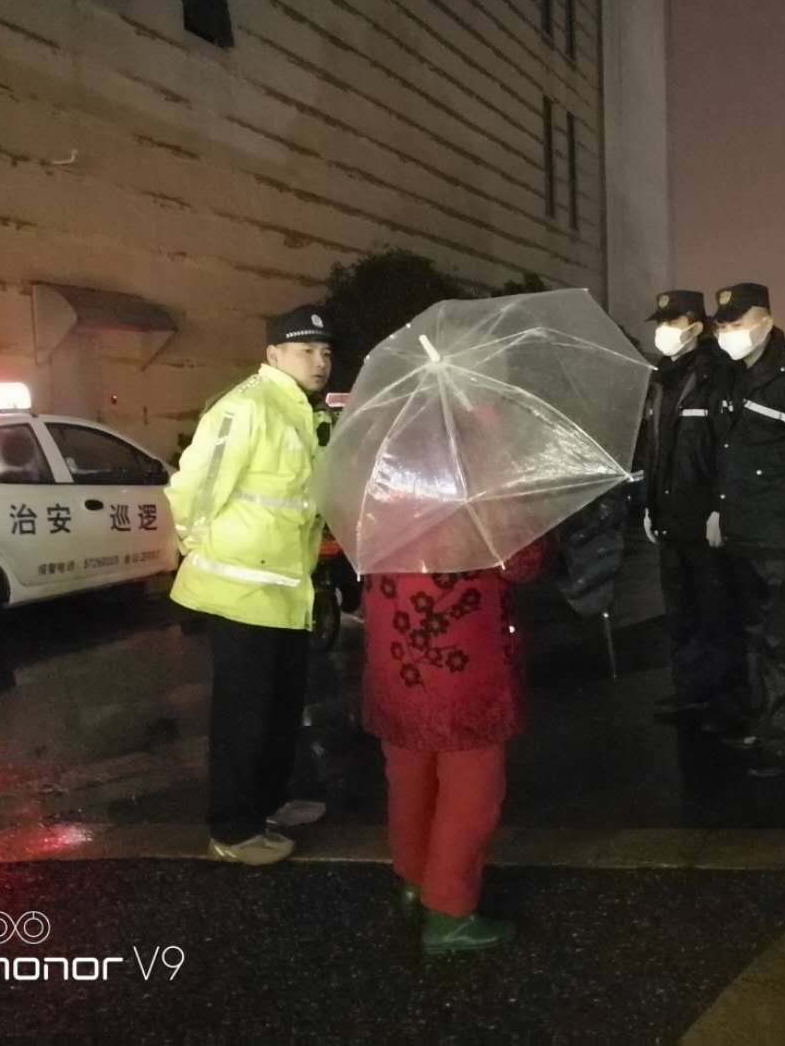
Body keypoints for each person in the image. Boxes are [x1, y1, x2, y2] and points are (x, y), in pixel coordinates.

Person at [166, 305, 335, 866]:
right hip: (241, 591)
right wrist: (199, 546)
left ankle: (271, 801)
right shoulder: (248, 407)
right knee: (244, 714)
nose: (319, 361)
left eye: (325, 351)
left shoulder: (304, 414)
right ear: (273, 355)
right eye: (306, 350)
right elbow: (194, 487)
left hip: (287, 590)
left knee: (282, 706)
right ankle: (233, 828)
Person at [361, 536, 552, 955]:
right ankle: (449, 909)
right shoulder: (479, 502)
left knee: (409, 775)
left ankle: (415, 879)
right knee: (471, 790)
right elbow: (522, 561)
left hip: (395, 653)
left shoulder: (376, 500)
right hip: (463, 658)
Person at [709, 283, 785, 778]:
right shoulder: (733, 376)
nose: (728, 333)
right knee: (756, 636)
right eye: (722, 325)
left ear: (765, 319)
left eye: (737, 323)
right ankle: (765, 724)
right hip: (744, 534)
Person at [641, 290, 743, 727]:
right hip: (670, 516)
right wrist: (650, 506)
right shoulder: (663, 379)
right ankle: (690, 690)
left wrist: (721, 506)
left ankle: (723, 700)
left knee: (715, 612)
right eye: (660, 322)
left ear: (696, 326)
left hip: (703, 519)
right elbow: (656, 449)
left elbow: (728, 446)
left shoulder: (715, 374)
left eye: (672, 321)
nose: (663, 331)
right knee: (681, 612)